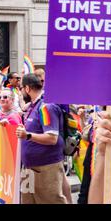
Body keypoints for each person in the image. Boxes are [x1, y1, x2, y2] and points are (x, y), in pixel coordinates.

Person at [15, 73, 69, 204]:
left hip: (45, 168)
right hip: (29, 168)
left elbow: (52, 138)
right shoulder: (34, 105)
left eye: (21, 88)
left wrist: (27, 135)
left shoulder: (46, 107)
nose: (21, 92)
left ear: (27, 88)